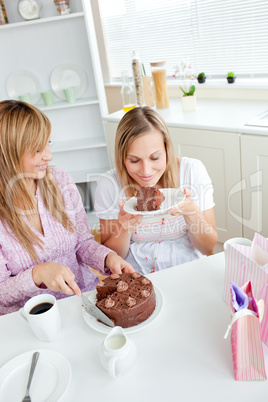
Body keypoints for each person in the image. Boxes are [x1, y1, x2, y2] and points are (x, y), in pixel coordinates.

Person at [0, 100, 134, 315]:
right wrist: (37, 274)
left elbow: (82, 243)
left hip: (84, 300)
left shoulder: (60, 180)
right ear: (7, 154)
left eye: (48, 143)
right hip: (31, 318)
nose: (48, 155)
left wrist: (108, 258)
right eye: (36, 149)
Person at [95, 106, 218, 274]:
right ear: (122, 157)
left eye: (155, 158)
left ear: (167, 149)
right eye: (134, 160)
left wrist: (193, 215)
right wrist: (124, 229)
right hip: (138, 275)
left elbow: (208, 248)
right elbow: (112, 259)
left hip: (189, 269)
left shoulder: (192, 171)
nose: (146, 171)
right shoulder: (109, 184)